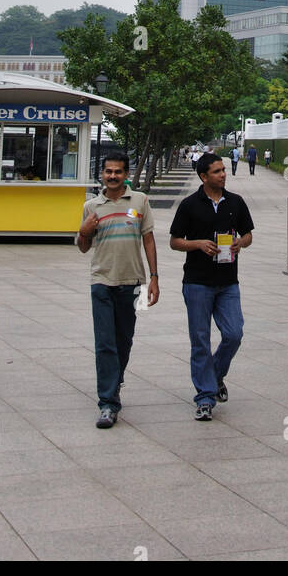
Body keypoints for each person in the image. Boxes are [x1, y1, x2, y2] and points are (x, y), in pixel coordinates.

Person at [77, 152, 159, 428]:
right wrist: (84, 231)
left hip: (133, 283)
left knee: (124, 339)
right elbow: (83, 246)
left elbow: (148, 240)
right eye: (108, 171)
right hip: (101, 282)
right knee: (104, 343)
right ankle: (108, 403)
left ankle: (116, 377)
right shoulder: (91, 206)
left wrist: (154, 278)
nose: (113, 176)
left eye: (118, 172)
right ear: (102, 174)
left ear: (126, 174)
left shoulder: (140, 201)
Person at [169, 152, 254, 420]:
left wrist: (242, 243)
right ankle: (205, 397)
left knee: (234, 334)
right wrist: (198, 244)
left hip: (228, 282)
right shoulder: (189, 205)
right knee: (200, 340)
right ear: (204, 176)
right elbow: (175, 241)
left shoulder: (236, 203)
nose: (223, 175)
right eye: (217, 172)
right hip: (197, 282)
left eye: (223, 170)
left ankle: (215, 375)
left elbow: (248, 234)